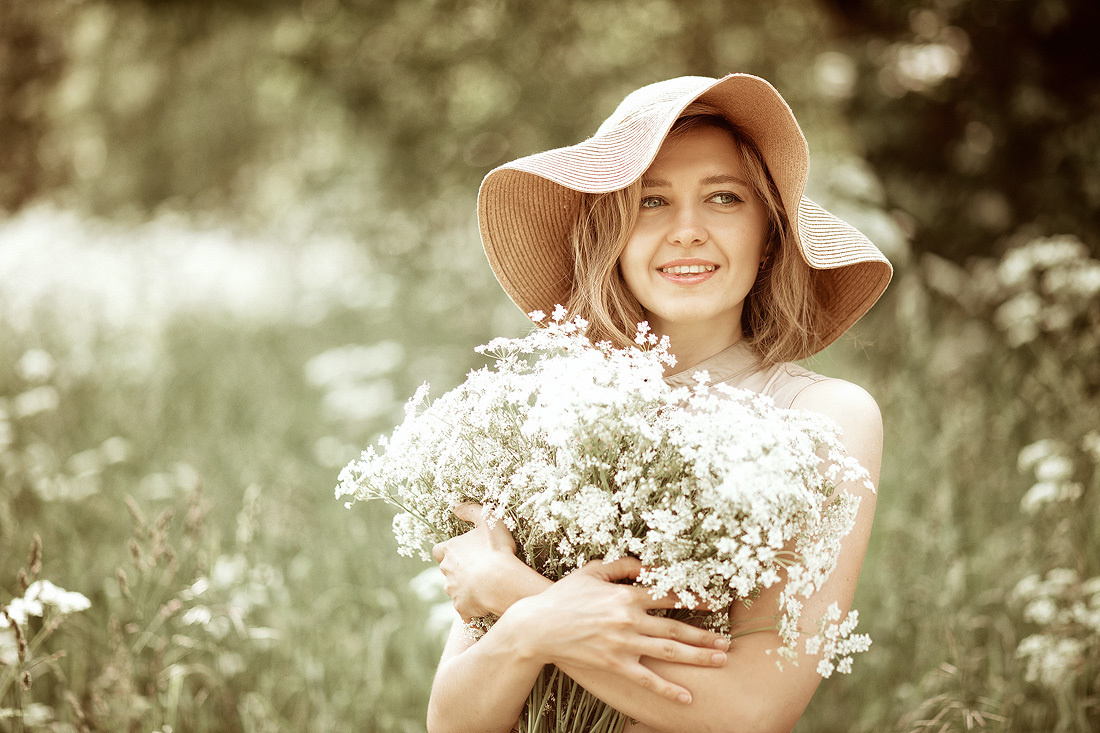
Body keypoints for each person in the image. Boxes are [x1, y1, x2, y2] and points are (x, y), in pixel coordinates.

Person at [427, 73, 892, 733]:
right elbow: (452, 721)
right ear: (611, 235)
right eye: (651, 201)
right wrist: (532, 625)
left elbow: (753, 711)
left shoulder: (823, 417)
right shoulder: (548, 414)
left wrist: (516, 599)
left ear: (768, 235)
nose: (687, 231)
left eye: (724, 198)